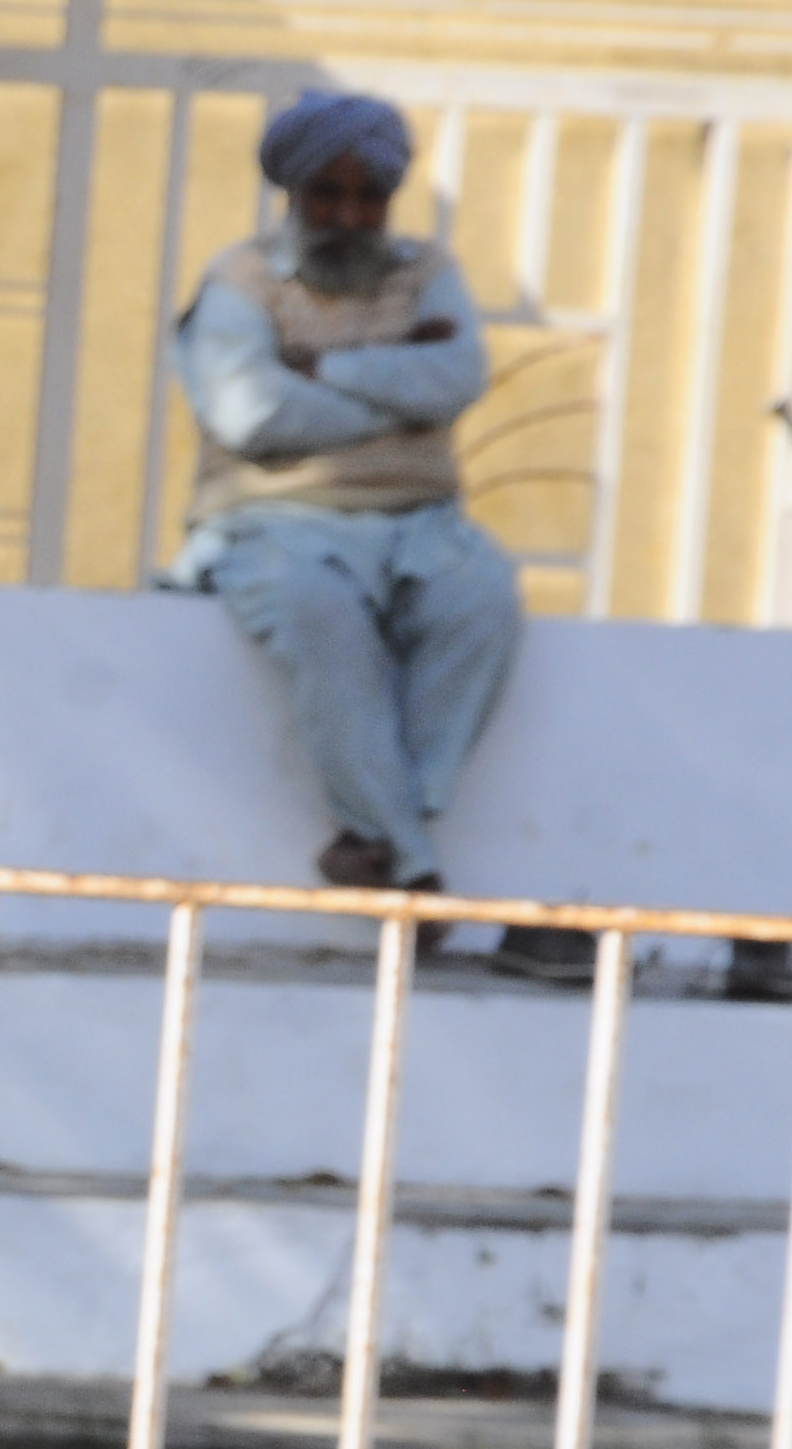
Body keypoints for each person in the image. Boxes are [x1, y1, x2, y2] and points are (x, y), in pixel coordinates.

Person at [171, 90, 606, 986]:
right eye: (327, 195)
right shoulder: (240, 282)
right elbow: (251, 413)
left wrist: (321, 367)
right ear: (294, 194)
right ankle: (410, 865)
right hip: (274, 520)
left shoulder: (426, 271)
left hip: (420, 518)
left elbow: (456, 377)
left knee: (480, 604)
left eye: (367, 197)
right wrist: (394, 396)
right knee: (318, 615)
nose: (347, 216)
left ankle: (381, 830)